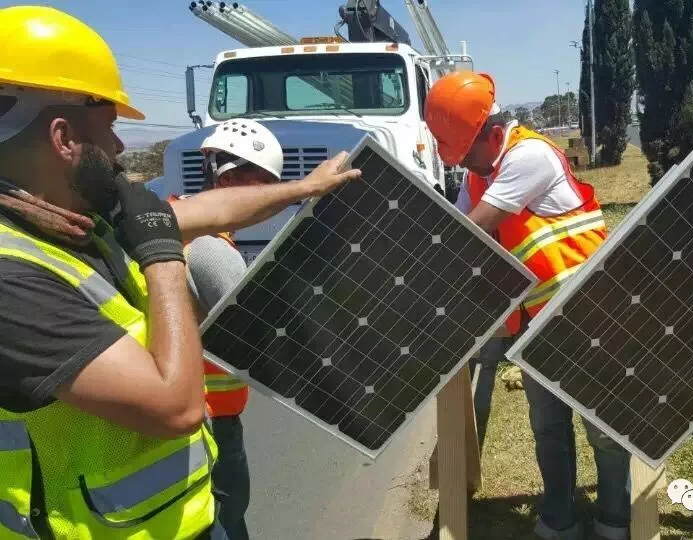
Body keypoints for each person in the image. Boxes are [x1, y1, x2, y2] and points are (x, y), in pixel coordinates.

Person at [0, 6, 359, 539]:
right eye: (111, 128)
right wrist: (165, 256)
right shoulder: (11, 279)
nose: (119, 149)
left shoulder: (76, 222)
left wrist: (304, 188)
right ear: (63, 138)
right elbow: (175, 407)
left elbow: (212, 209)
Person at [425, 71, 631, 540]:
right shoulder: (478, 175)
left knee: (603, 426)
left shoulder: (529, 157)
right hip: (538, 322)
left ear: (494, 134)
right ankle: (560, 519)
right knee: (548, 425)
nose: (465, 166)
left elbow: (467, 235)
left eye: (467, 154)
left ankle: (615, 519)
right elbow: (455, 237)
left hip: (589, 311)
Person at [169, 118, 287, 540]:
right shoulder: (209, 247)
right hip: (211, 423)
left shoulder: (173, 224)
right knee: (227, 518)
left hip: (188, 416)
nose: (268, 201)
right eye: (261, 187)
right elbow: (256, 335)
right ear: (229, 181)